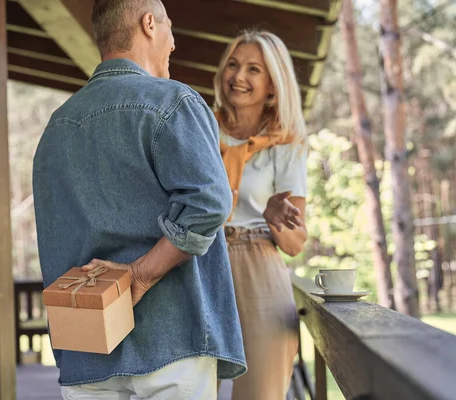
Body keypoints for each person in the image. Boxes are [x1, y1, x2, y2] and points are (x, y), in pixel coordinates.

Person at [32, 0, 246, 398]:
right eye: (168, 27)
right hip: (173, 342)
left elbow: (52, 239)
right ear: (149, 24)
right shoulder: (172, 102)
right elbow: (210, 203)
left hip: (86, 349)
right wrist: (141, 274)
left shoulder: (55, 129)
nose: (173, 43)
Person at [213, 30, 309, 399]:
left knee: (261, 393)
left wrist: (274, 217)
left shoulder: (286, 143)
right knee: (185, 387)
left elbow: (296, 243)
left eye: (254, 69)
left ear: (273, 85)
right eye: (233, 66)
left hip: (258, 261)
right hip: (201, 260)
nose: (238, 77)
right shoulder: (200, 127)